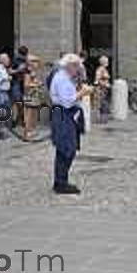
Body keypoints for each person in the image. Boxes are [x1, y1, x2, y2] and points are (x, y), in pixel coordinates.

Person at [49, 54, 93, 194]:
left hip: (65, 113)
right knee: (67, 148)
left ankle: (61, 181)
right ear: (69, 66)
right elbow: (67, 102)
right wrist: (83, 92)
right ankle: (61, 182)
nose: (78, 69)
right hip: (63, 113)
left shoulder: (65, 77)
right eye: (76, 66)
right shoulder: (61, 79)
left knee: (67, 148)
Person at [22, 55, 44, 140]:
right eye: (35, 62)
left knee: (33, 115)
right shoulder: (28, 73)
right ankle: (26, 134)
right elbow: (26, 85)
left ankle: (30, 132)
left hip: (34, 95)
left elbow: (41, 62)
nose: (37, 64)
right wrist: (37, 84)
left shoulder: (34, 72)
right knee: (29, 115)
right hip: (29, 96)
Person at [10, 45, 29, 128]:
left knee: (22, 103)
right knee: (17, 102)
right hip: (16, 83)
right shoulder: (15, 60)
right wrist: (19, 70)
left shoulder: (26, 60)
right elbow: (9, 71)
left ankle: (20, 120)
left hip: (23, 83)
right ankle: (16, 121)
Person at [94, 55, 112, 123]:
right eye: (106, 61)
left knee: (104, 103)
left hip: (104, 89)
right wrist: (104, 84)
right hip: (101, 89)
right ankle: (101, 119)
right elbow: (97, 80)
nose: (107, 63)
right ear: (103, 62)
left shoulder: (104, 69)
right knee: (102, 103)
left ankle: (103, 118)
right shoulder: (100, 69)